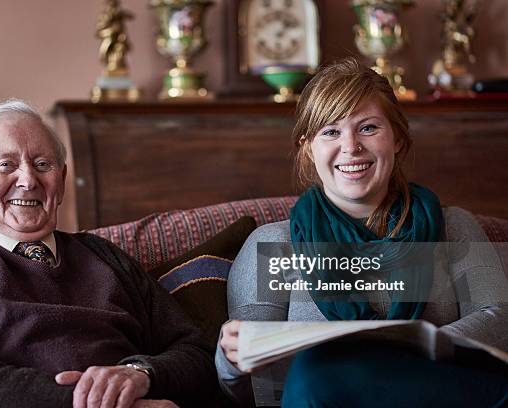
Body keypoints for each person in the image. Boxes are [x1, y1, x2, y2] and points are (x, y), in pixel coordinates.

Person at [215, 58, 508, 407]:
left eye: (368, 128)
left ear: (397, 138)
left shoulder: (454, 227)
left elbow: (501, 325)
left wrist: (398, 355)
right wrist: (229, 360)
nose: (351, 147)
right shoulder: (271, 245)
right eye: (331, 131)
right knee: (314, 370)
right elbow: (245, 387)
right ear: (309, 147)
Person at [0, 100, 218, 408]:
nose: (27, 180)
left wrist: (140, 374)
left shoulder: (106, 257)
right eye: (6, 165)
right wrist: (95, 403)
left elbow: (198, 354)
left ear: (62, 180)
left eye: (42, 165)